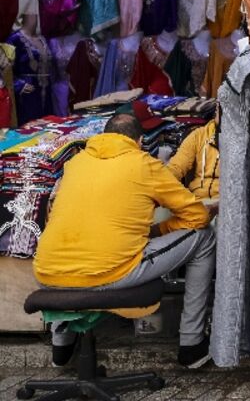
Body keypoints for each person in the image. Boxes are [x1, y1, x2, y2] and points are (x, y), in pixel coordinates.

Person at [33, 112, 216, 369]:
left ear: (102, 136)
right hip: (108, 273)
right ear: (140, 141)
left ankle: (61, 347)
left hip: (46, 273)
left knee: (69, 254)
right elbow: (197, 216)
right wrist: (158, 230)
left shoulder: (75, 163)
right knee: (204, 237)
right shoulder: (144, 164)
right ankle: (192, 346)